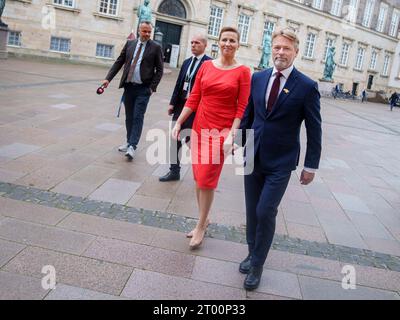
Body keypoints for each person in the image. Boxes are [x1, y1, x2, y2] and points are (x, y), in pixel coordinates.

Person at [239, 27, 322, 290]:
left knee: (265, 210)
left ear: (296, 52)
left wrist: (311, 165)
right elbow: (249, 114)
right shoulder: (258, 77)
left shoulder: (307, 86)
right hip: (253, 154)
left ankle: (258, 264)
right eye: (277, 47)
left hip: (281, 161)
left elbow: (314, 128)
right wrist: (238, 142)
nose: (280, 52)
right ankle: (252, 251)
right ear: (271, 48)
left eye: (286, 48)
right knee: (252, 210)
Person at [172, 27, 251, 249]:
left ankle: (201, 225)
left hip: (222, 131)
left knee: (206, 177)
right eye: (224, 39)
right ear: (218, 42)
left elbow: (242, 107)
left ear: (238, 44)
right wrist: (179, 121)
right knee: (199, 177)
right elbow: (194, 97)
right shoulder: (206, 66)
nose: (228, 43)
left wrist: (232, 136)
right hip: (200, 127)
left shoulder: (243, 72)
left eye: (232, 40)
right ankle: (204, 217)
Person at [102, 21, 163, 160]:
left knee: (137, 116)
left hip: (143, 89)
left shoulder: (156, 47)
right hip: (129, 87)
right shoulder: (130, 44)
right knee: (129, 117)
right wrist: (108, 79)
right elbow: (119, 61)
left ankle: (132, 146)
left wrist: (152, 88)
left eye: (149, 32)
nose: (147, 34)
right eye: (144, 31)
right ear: (139, 31)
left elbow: (160, 70)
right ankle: (129, 141)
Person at [159, 34, 212, 182]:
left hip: (197, 108)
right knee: (174, 137)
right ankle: (174, 171)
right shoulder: (187, 62)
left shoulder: (209, 64)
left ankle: (202, 170)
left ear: (205, 45)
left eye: (197, 43)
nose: (193, 45)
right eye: (192, 42)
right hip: (181, 105)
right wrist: (172, 103)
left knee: (191, 140)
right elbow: (179, 83)